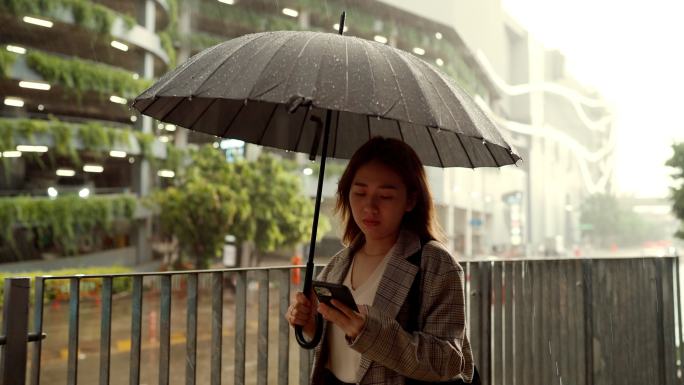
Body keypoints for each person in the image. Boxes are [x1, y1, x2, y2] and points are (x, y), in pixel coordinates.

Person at [286, 137, 474, 385]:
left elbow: (448, 360)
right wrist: (310, 325)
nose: (369, 207)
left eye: (385, 196)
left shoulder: (436, 264)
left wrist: (370, 333)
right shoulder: (338, 264)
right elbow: (335, 350)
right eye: (360, 192)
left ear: (410, 200)